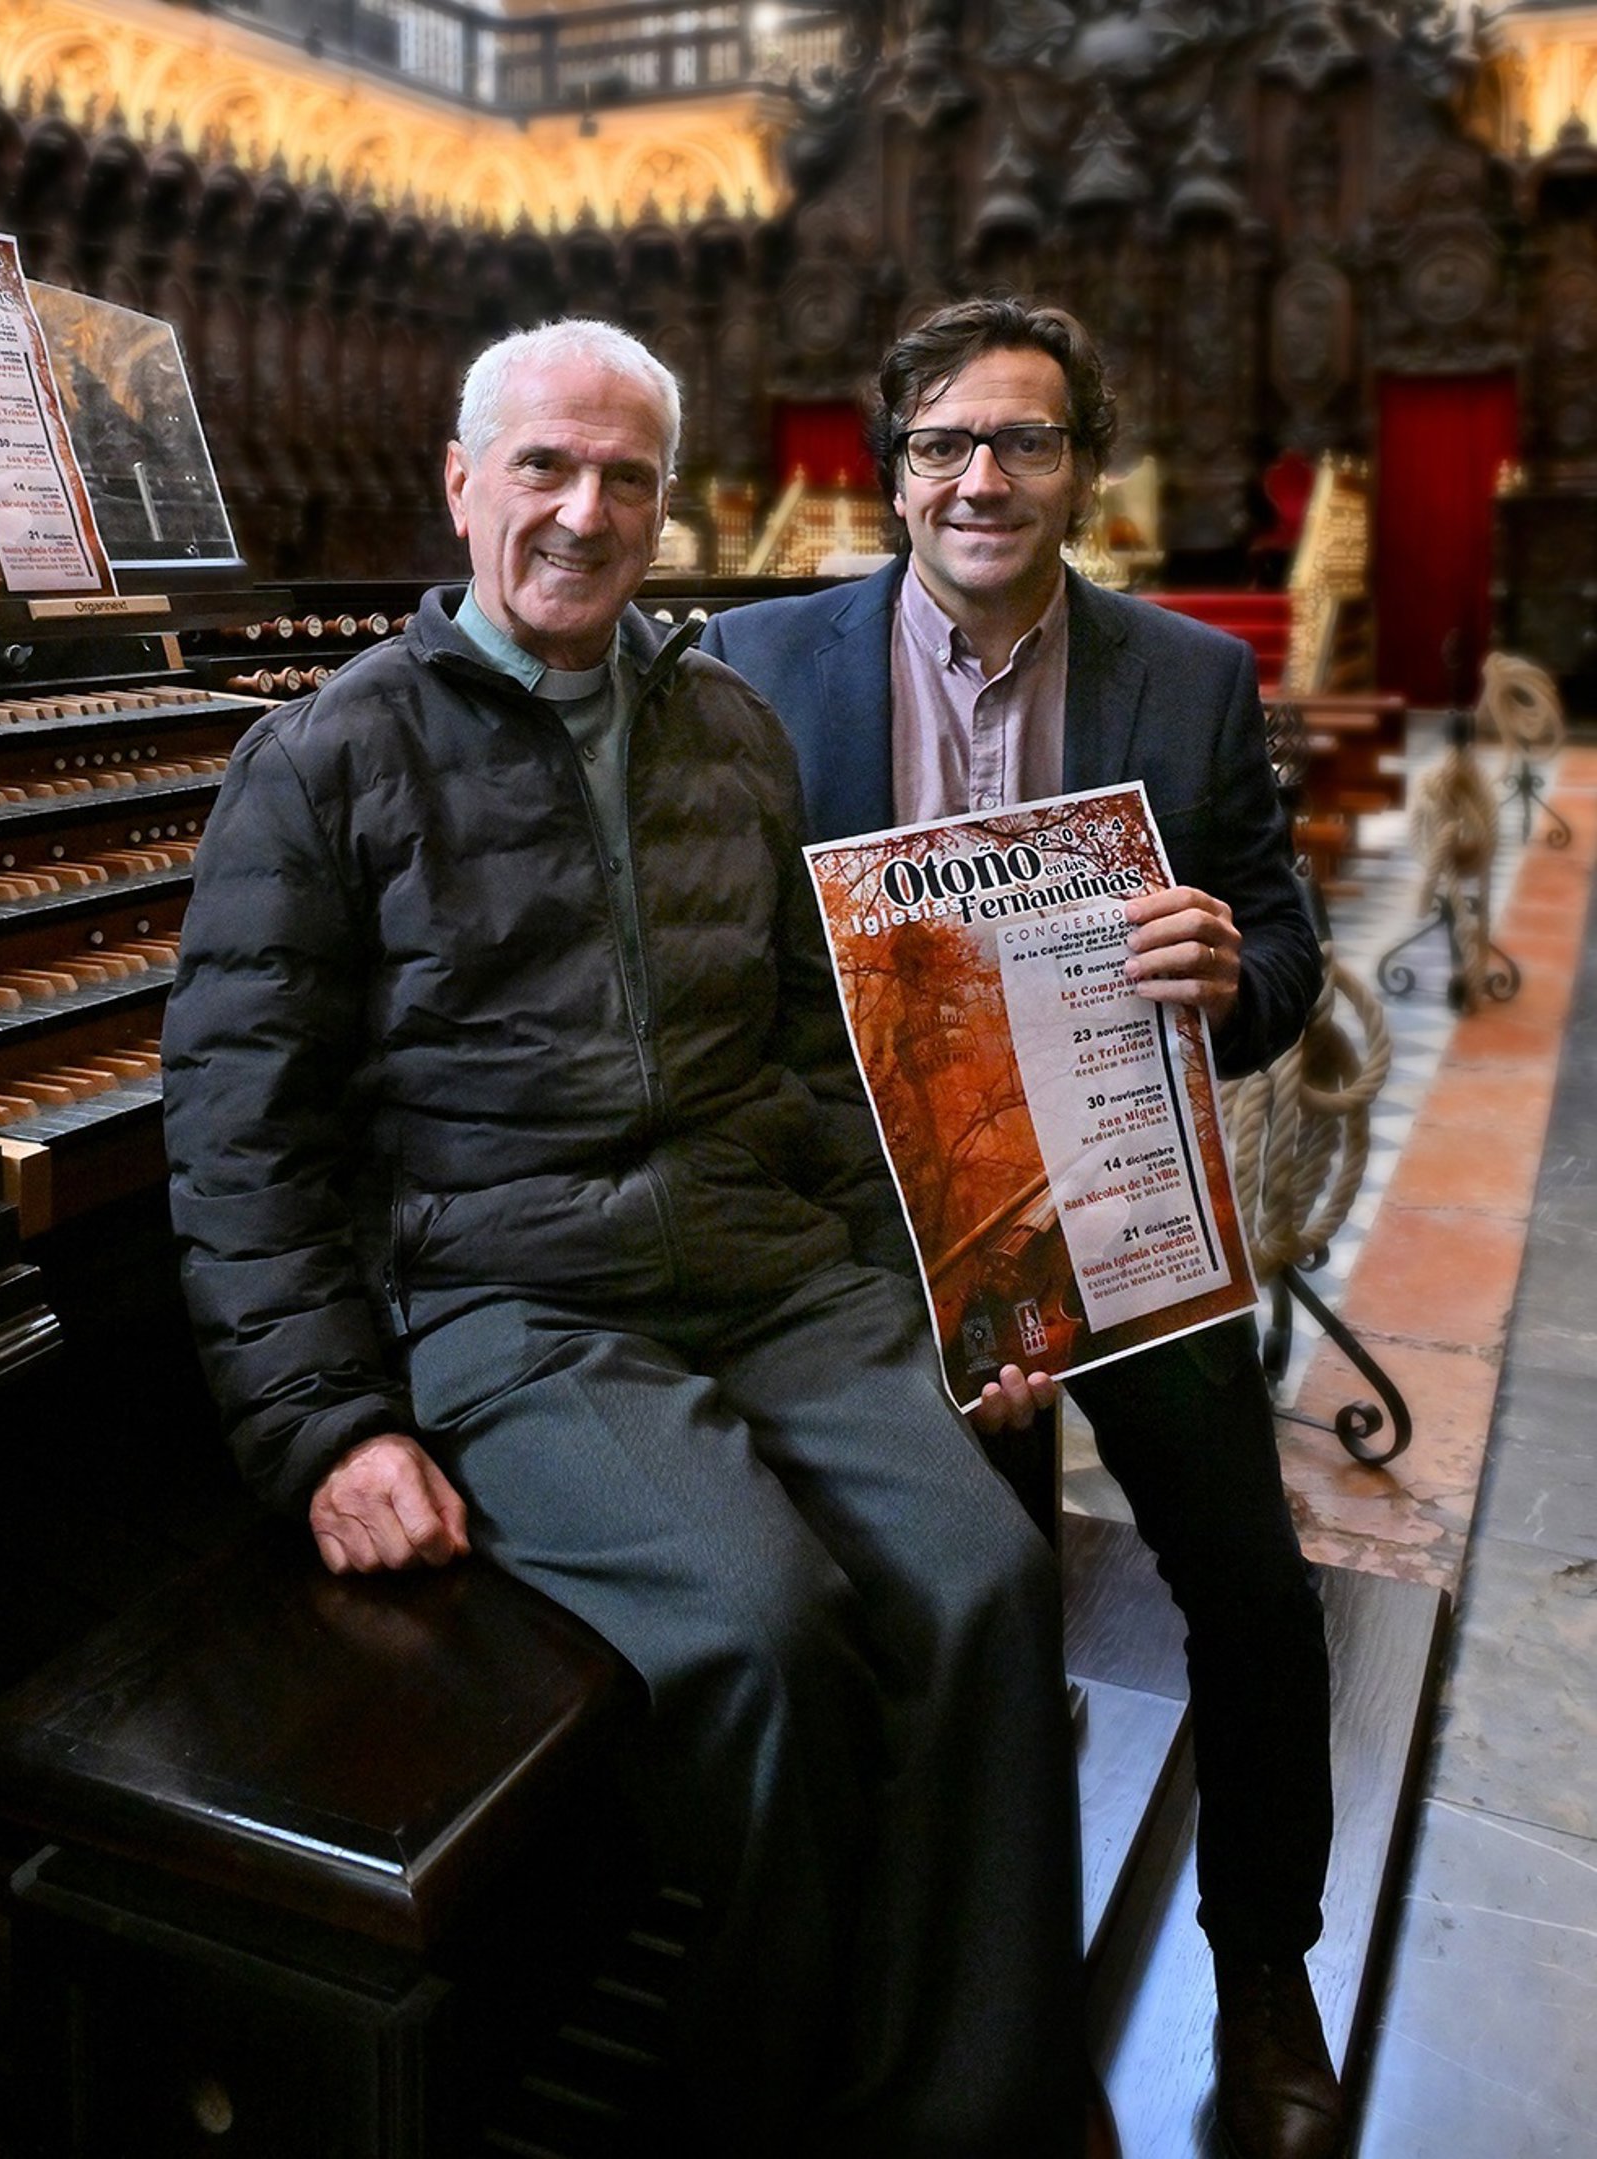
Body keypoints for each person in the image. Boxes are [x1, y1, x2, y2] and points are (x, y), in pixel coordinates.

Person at [163, 318, 1093, 2157]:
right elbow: (237, 1131)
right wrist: (329, 1427)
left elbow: (815, 1057)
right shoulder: (328, 757)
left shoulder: (729, 729)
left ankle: (969, 2108)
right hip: (516, 1303)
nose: (584, 514)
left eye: (625, 479)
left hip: (765, 1268)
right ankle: (761, 2104)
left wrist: (952, 1285)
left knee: (987, 1580)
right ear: (463, 485)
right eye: (544, 467)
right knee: (763, 1628)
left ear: (665, 509)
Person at [704, 296, 1343, 2159]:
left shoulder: (1186, 677)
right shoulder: (758, 664)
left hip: (1123, 1207)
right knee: (978, 1611)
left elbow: (1284, 942)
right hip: (883, 1228)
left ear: (1086, 469)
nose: (982, 478)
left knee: (1254, 1591)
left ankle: (1264, 1969)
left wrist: (1230, 973)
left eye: (1026, 441)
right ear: (894, 470)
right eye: (945, 444)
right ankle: (985, 2023)